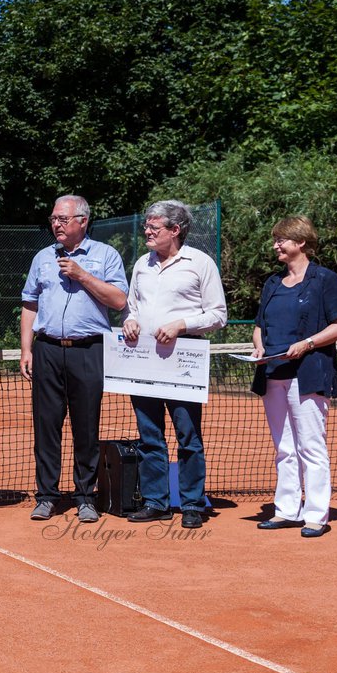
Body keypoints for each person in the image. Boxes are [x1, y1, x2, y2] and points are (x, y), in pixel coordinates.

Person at [20, 195, 128, 523]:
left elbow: (119, 300)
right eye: (53, 219)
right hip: (47, 349)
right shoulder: (42, 257)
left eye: (63, 219)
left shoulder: (106, 255)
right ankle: (47, 496)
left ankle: (85, 496)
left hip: (89, 350)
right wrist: (27, 348)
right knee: (46, 426)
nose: (56, 225)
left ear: (82, 221)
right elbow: (29, 304)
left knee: (86, 427)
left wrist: (82, 275)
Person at [122, 200, 227, 529]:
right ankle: (156, 502)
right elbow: (132, 307)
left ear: (175, 230)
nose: (147, 231)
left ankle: (193, 503)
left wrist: (181, 324)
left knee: (188, 436)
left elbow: (218, 314)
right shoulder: (141, 264)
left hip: (184, 359)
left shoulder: (200, 263)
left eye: (154, 227)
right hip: (143, 362)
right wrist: (130, 321)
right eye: (147, 226)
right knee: (149, 435)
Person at [250, 216, 337, 538]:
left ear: (301, 242)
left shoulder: (324, 280)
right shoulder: (272, 283)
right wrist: (258, 350)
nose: (276, 245)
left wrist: (306, 344)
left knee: (310, 446)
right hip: (273, 372)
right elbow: (258, 326)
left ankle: (316, 515)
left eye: (282, 240)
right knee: (284, 447)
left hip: (308, 374)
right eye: (276, 240)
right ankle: (286, 511)